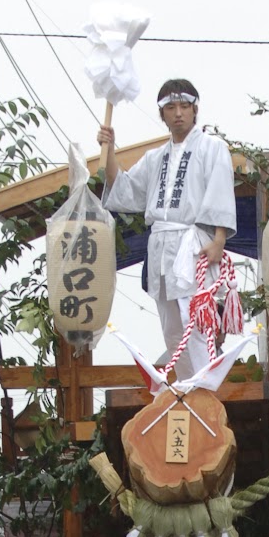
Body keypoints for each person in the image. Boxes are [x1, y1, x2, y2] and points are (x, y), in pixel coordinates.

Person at [99, 78, 237, 373]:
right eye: (171, 107)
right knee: (173, 329)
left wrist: (219, 240)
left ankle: (205, 391)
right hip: (161, 246)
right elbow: (123, 189)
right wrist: (109, 149)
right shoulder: (155, 157)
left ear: (195, 110)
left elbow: (221, 191)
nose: (178, 113)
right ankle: (189, 389)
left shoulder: (212, 148)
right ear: (162, 113)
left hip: (194, 244)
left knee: (197, 323)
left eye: (184, 106)